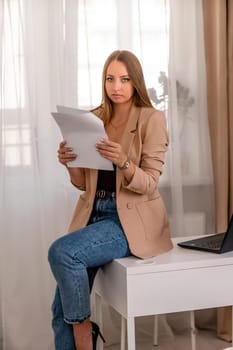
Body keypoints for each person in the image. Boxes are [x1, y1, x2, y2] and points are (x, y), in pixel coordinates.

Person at [48, 50, 173, 350]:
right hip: (94, 215)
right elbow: (84, 185)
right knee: (57, 312)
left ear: (136, 83)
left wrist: (124, 161)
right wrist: (70, 163)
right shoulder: (94, 118)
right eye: (110, 78)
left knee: (62, 253)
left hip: (128, 221)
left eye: (124, 79)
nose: (116, 86)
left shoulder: (151, 119)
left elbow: (150, 183)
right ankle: (81, 330)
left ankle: (83, 332)